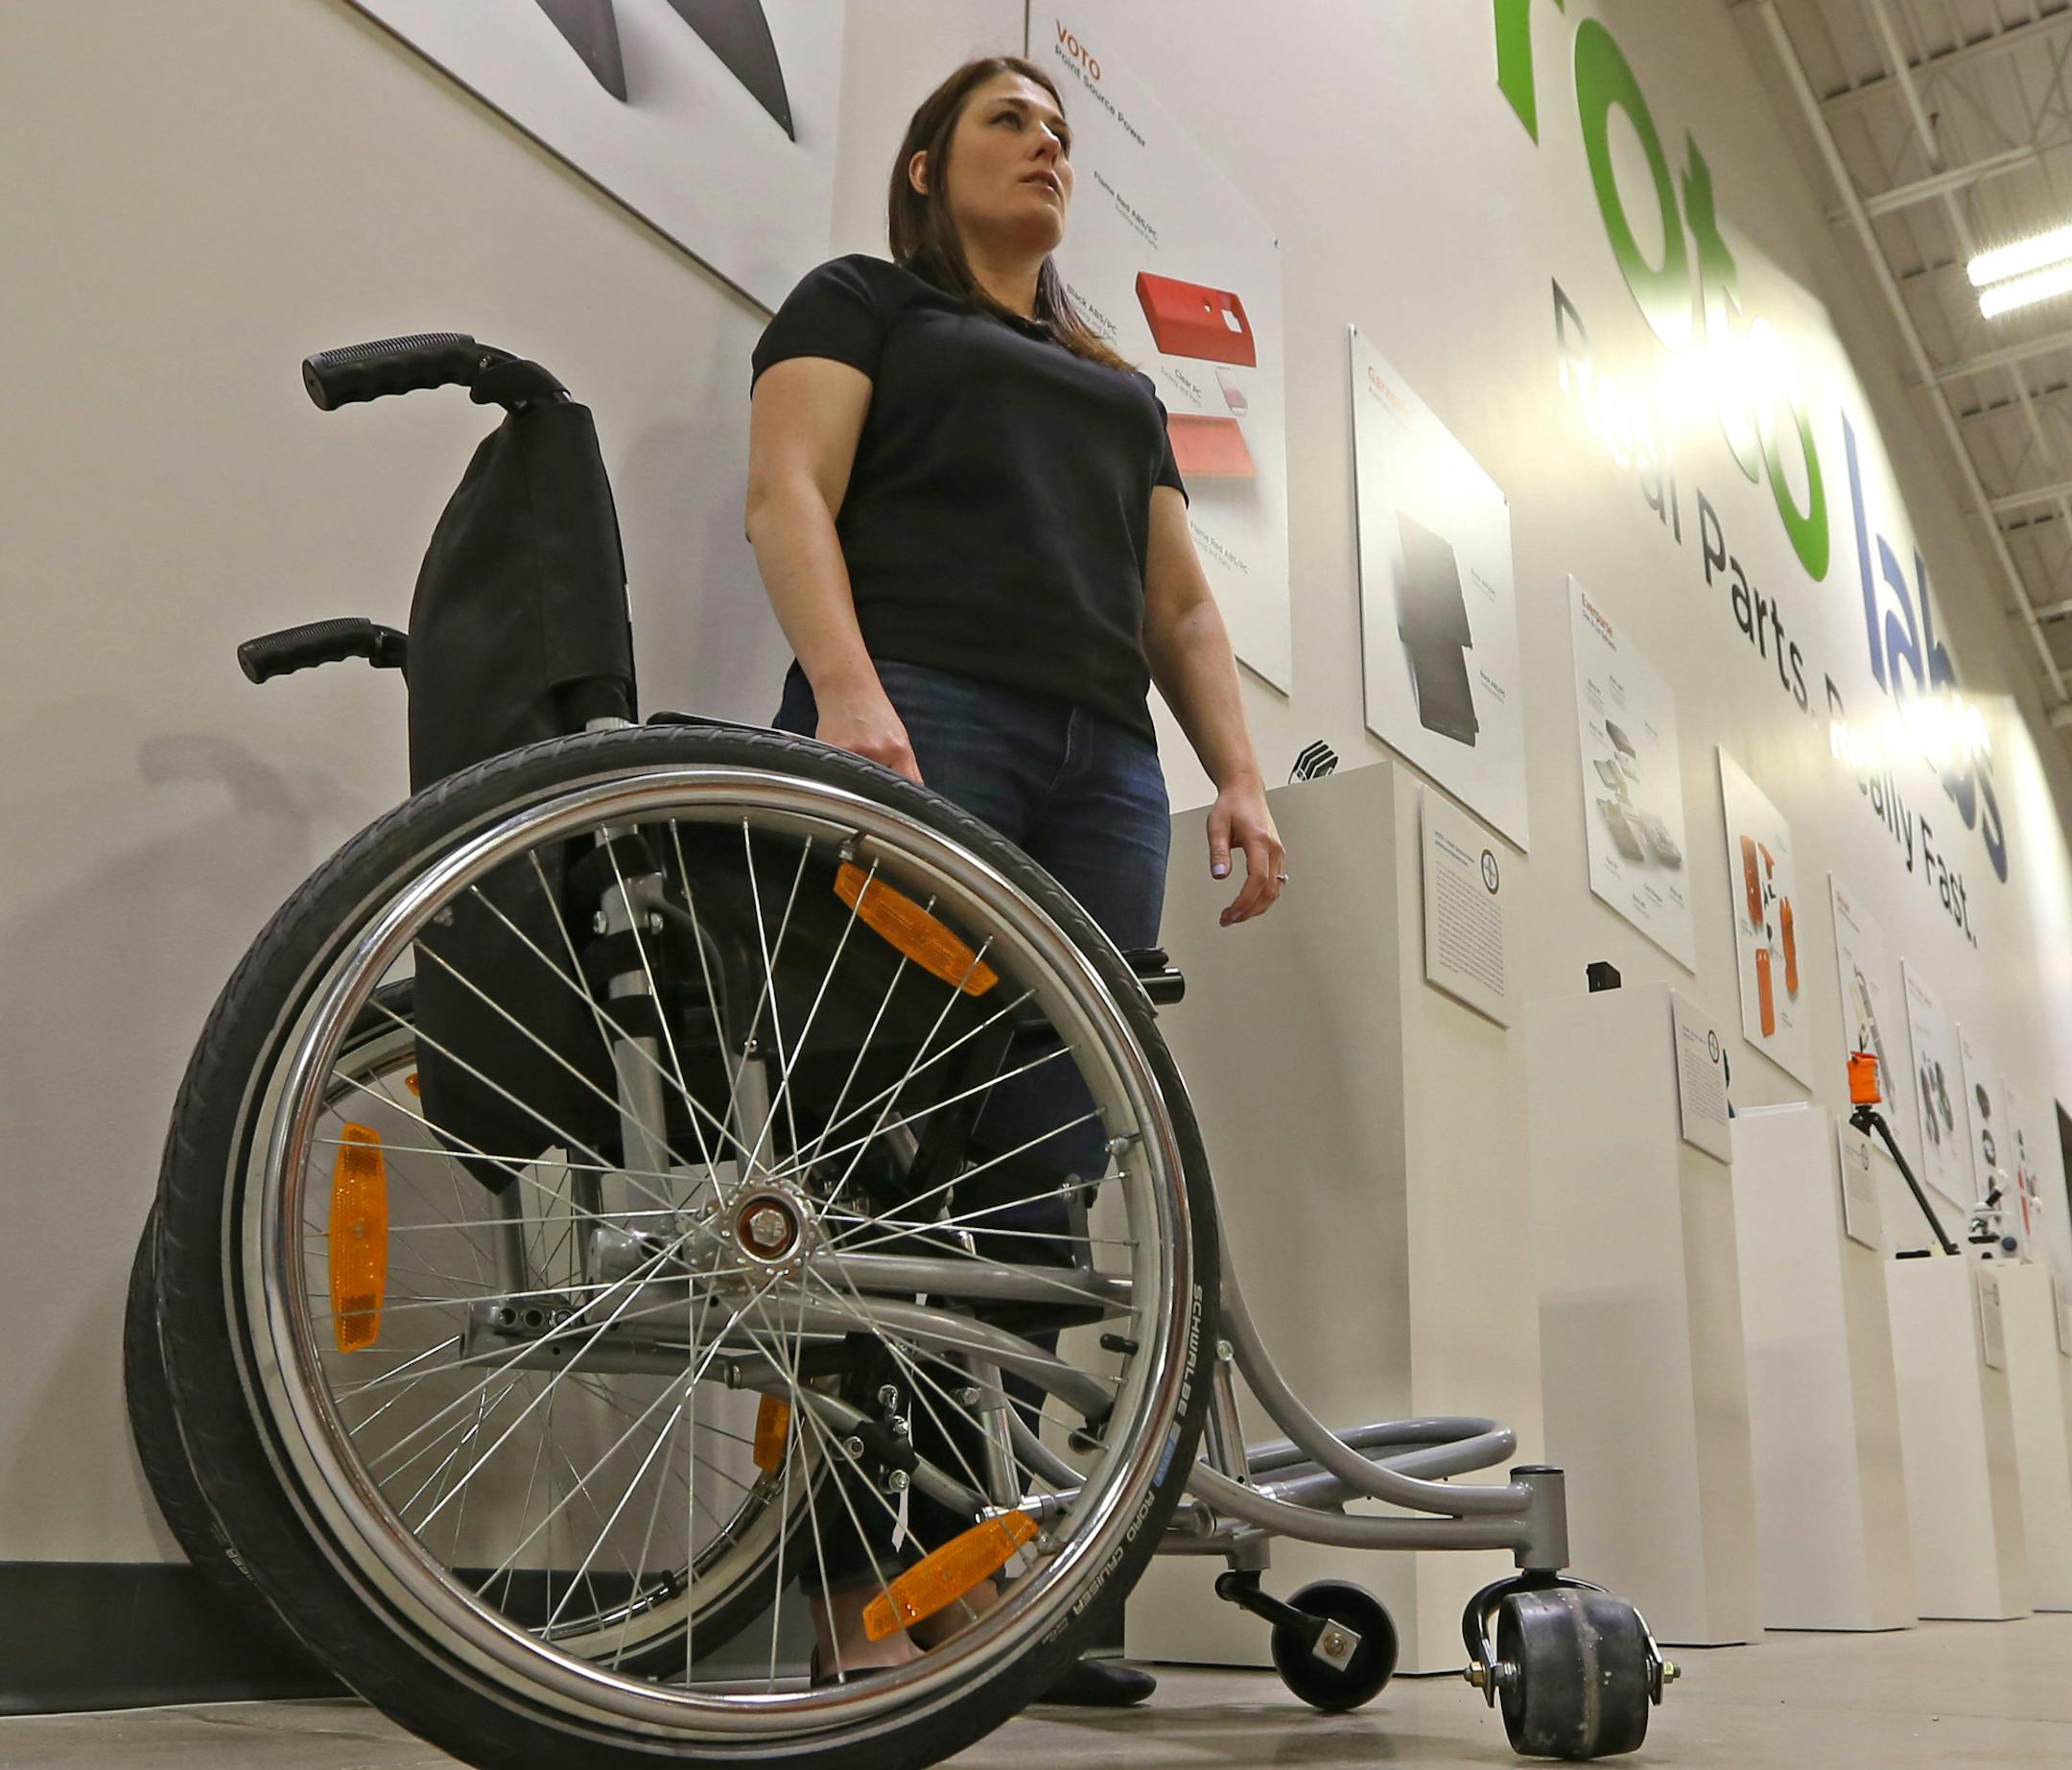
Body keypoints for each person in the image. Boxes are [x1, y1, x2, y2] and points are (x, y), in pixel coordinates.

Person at [744, 52, 1285, 1707]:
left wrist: (1242, 777)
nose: (1047, 146)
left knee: (1042, 1181)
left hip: (1100, 772)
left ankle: (983, 1581)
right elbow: (787, 493)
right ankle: (851, 1595)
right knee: (877, 1153)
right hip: (922, 720)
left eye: (1060, 131)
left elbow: (1179, 611)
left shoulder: (1114, 386)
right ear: (925, 168)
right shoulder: (863, 305)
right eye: (1009, 122)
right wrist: (848, 693)